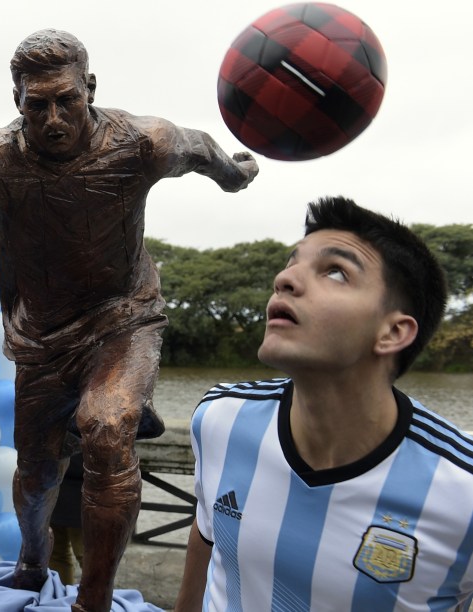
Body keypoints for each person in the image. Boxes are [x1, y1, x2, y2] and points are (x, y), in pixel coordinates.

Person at [0, 28, 258, 611]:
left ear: (90, 88)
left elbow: (201, 147)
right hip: (42, 335)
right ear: (17, 101)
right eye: (36, 105)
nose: (53, 118)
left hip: (122, 317)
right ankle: (33, 561)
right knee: (35, 474)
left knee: (107, 429)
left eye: (67, 100)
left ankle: (95, 598)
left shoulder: (141, 142)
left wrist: (234, 173)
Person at [173, 196, 473, 610]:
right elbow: (206, 540)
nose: (285, 278)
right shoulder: (221, 418)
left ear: (393, 332)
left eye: (335, 272)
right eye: (292, 262)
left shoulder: (463, 487)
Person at [48, 452, 84, 585]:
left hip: (89, 488)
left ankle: (95, 602)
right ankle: (61, 597)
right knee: (56, 552)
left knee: (88, 556)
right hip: (54, 483)